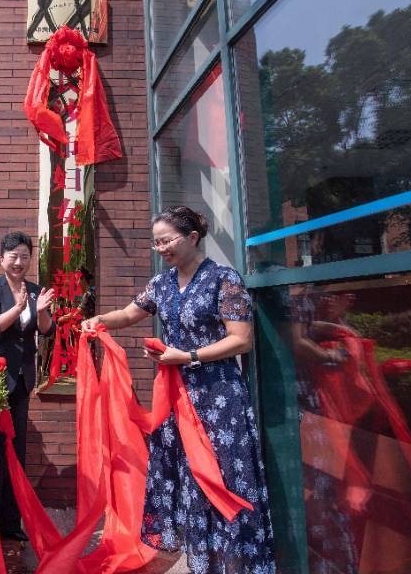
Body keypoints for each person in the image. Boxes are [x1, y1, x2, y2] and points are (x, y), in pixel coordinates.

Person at [81, 205, 275, 573]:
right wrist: (101, 320)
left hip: (217, 397)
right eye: (156, 243)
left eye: (166, 240)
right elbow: (129, 314)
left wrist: (188, 356)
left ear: (192, 237)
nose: (161, 248)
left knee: (221, 474)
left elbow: (242, 340)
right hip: (175, 395)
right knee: (185, 474)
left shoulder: (223, 279)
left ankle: (236, 561)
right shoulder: (162, 282)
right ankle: (201, 558)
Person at [0, 231, 54, 541]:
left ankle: (10, 523)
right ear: (2, 258)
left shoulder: (35, 291)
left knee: (15, 452)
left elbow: (47, 330)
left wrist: (43, 309)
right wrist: (18, 306)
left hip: (21, 381)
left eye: (24, 256)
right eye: (13, 256)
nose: (19, 262)